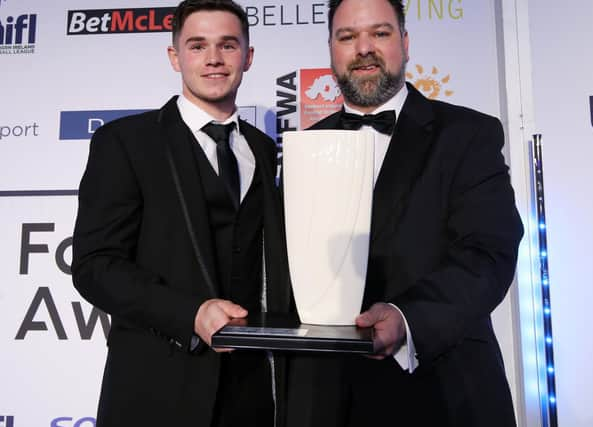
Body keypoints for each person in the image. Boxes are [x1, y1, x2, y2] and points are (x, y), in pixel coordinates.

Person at [286, 0, 524, 426]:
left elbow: (489, 254)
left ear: (406, 42)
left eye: (380, 33)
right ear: (331, 50)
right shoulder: (303, 147)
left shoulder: (468, 135)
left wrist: (407, 318)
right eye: (347, 37)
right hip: (328, 399)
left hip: (442, 391)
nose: (363, 48)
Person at [71, 1, 290, 426]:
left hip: (249, 391)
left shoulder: (264, 150)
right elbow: (95, 266)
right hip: (156, 386)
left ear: (248, 56)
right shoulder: (127, 142)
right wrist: (190, 313)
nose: (213, 59)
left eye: (227, 45)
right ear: (175, 57)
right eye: (197, 45)